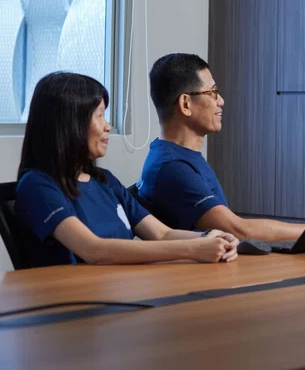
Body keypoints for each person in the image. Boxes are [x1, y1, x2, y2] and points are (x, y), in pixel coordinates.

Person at [15, 72, 238, 267]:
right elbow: (93, 250)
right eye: (99, 115)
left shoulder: (105, 181)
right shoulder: (37, 186)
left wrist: (210, 237)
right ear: (69, 124)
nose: (107, 126)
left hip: (118, 291)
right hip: (73, 298)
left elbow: (162, 234)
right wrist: (193, 249)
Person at [136, 54, 305, 242]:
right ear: (186, 104)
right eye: (213, 92)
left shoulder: (176, 156)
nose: (221, 101)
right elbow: (239, 231)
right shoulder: (172, 167)